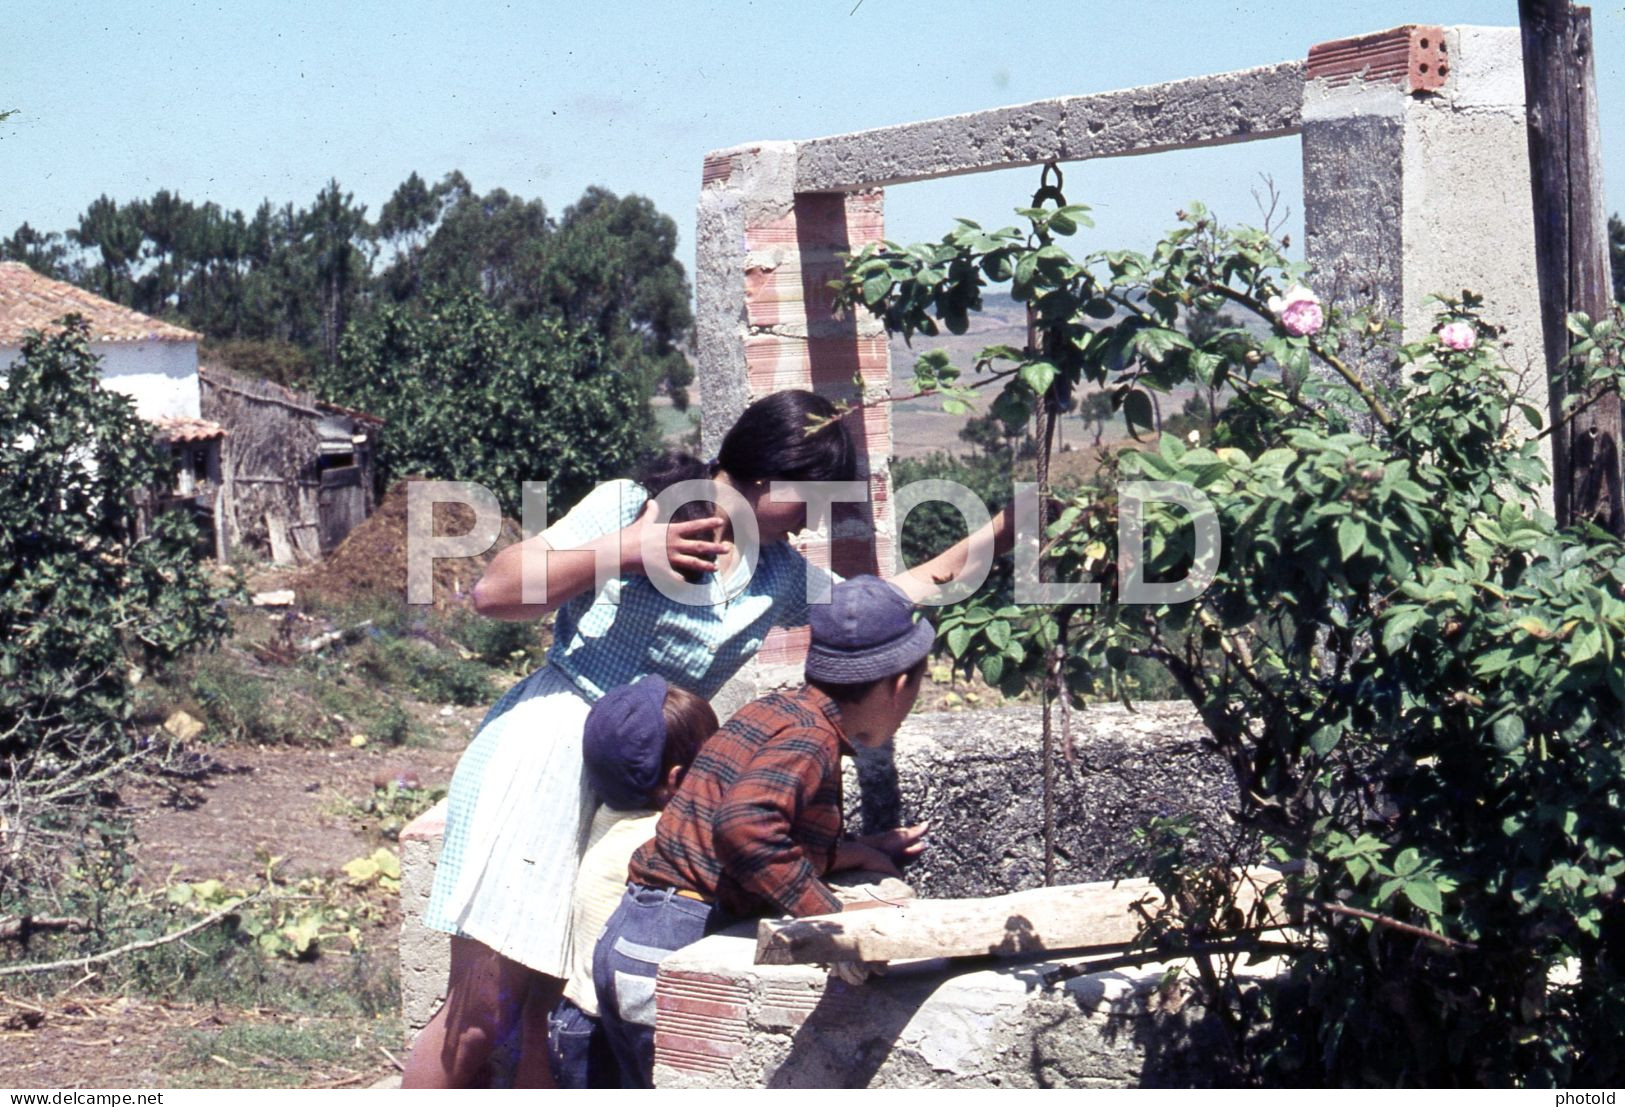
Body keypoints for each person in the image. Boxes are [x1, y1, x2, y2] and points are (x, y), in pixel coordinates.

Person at [402, 389, 1010, 1087]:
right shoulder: (633, 504)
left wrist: (1003, 527)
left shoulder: (774, 571)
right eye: (807, 503)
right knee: (482, 1014)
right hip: (546, 752)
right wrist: (626, 549)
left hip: (634, 785)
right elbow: (494, 593)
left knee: (544, 1012)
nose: (809, 525)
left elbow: (887, 598)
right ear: (767, 475)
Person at [593, 575, 934, 1087]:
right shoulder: (812, 738)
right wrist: (834, 925)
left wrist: (853, 852)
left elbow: (740, 823)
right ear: (900, 684)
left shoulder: (774, 710)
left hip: (636, 929)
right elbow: (746, 829)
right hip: (673, 936)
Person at [547, 675, 717, 1089]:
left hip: (574, 1019)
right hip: (606, 1031)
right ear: (678, 783)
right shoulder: (661, 835)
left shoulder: (608, 815)